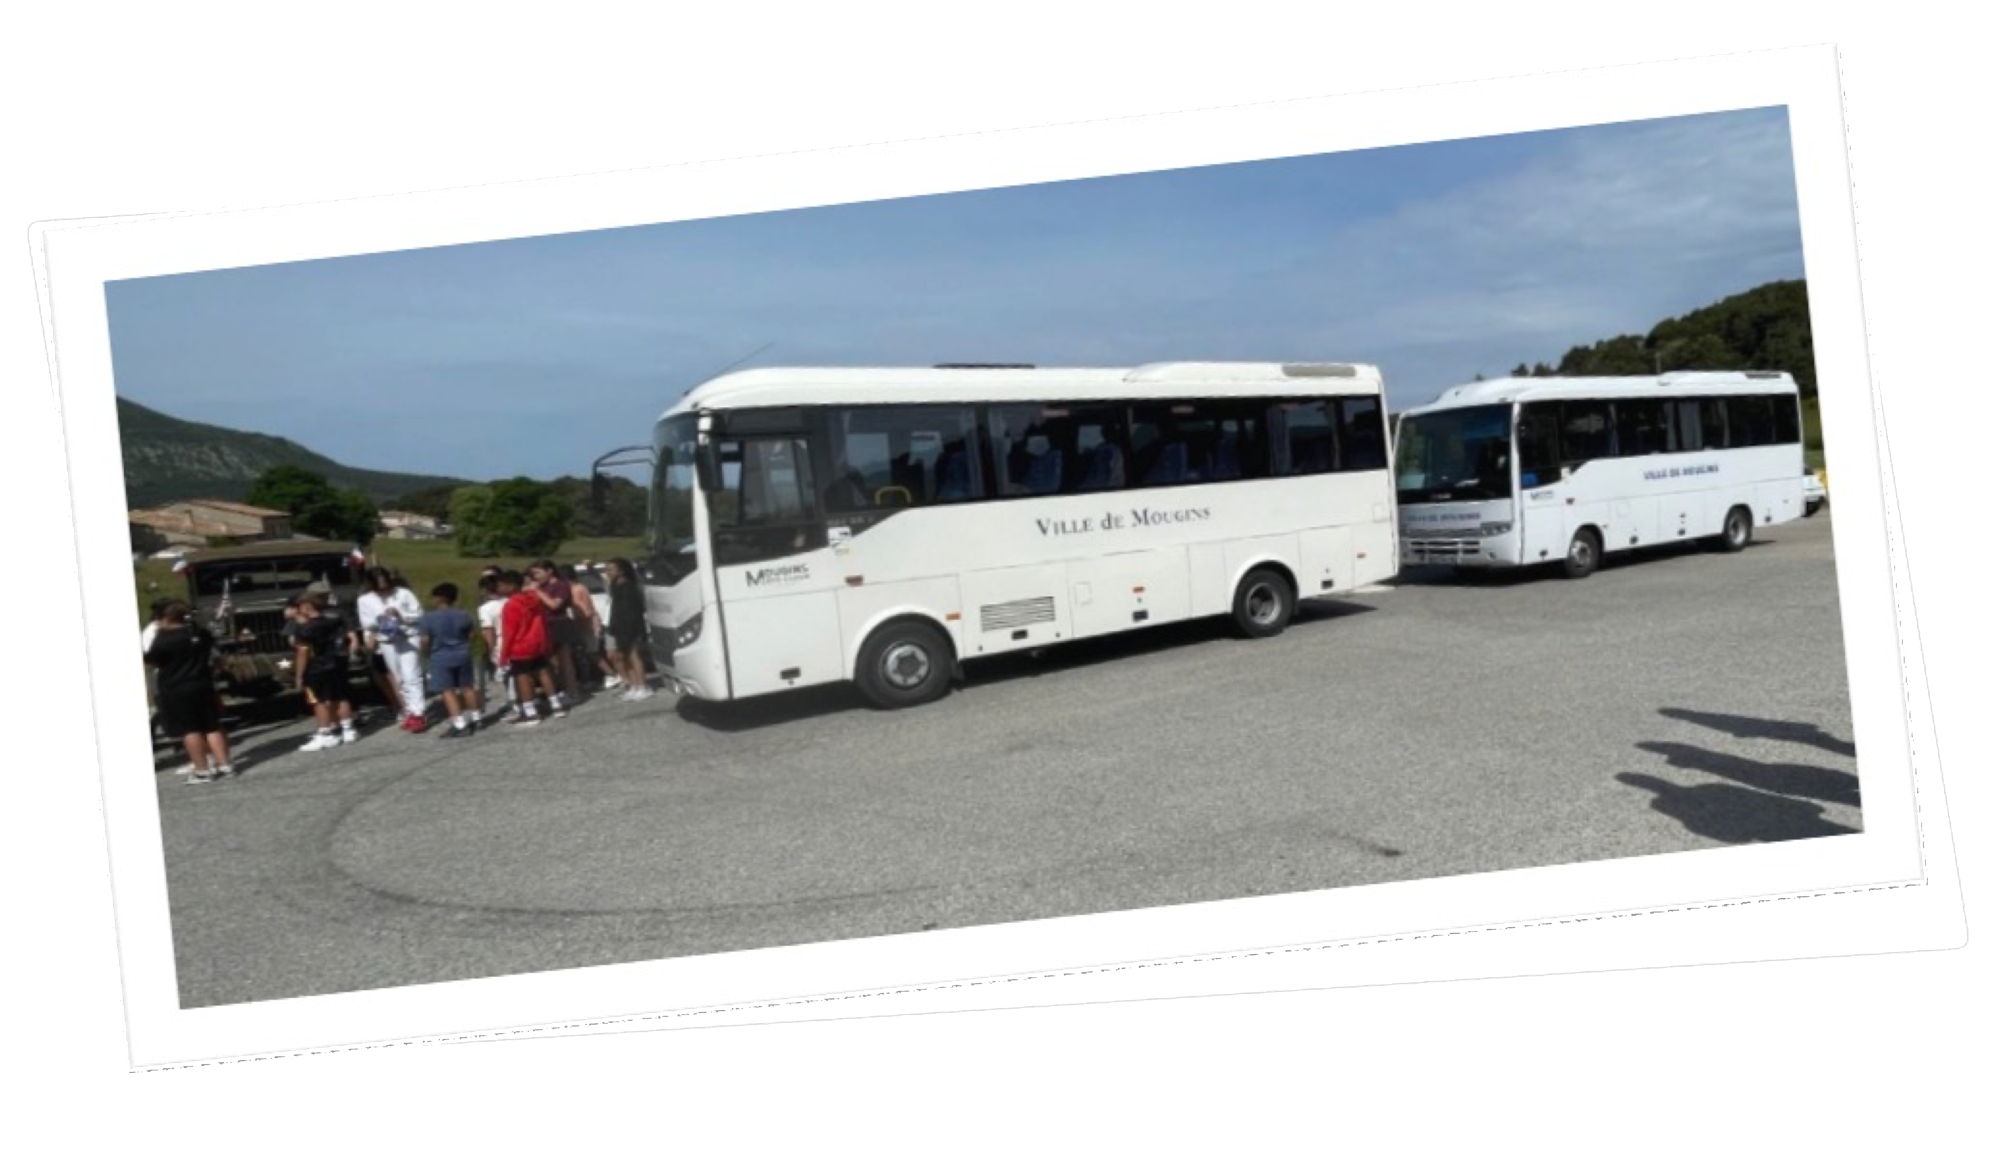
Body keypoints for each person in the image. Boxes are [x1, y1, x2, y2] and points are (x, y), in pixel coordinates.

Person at [144, 602, 235, 782]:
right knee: (212, 726)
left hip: (176, 687)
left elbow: (152, 660)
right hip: (203, 683)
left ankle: (202, 770)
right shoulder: (200, 634)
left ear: (167, 619)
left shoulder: (164, 639)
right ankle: (225, 764)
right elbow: (213, 655)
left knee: (190, 730)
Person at [358, 566, 426, 732]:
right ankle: (408, 710)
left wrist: (400, 614)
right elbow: (366, 623)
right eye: (378, 582)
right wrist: (380, 618)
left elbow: (419, 613)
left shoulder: (403, 593)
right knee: (399, 678)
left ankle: (418, 713)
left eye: (384, 580)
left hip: (408, 638)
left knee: (411, 675)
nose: (382, 585)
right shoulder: (364, 600)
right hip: (387, 641)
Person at [292, 593, 360, 751]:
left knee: (318, 701)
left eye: (299, 607)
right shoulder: (328, 622)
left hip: (316, 668)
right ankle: (348, 729)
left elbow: (303, 652)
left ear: (307, 607)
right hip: (334, 663)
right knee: (340, 696)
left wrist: (299, 675)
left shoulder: (305, 629)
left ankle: (325, 734)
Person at [497, 569, 565, 725]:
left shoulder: (511, 605)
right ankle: (556, 705)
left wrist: (503, 656)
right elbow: (542, 622)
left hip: (519, 646)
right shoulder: (534, 600)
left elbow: (509, 632)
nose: (499, 588)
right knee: (543, 672)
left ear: (511, 585)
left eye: (501, 585)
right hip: (537, 642)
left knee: (522, 677)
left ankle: (530, 712)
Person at [419, 582, 482, 738]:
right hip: (462, 653)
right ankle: (477, 718)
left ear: (440, 598)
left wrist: (425, 653)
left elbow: (425, 640)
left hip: (441, 656)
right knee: (467, 686)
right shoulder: (463, 614)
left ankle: (459, 724)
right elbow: (471, 635)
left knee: (447, 690)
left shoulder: (428, 618)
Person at [527, 560, 581, 703]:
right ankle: (560, 689)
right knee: (552, 662)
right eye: (533, 574)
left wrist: (538, 591)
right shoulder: (542, 586)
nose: (536, 577)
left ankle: (572, 691)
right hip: (544, 624)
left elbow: (554, 605)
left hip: (559, 623)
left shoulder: (561, 585)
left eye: (538, 573)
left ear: (550, 571)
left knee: (565, 660)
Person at [603, 558, 653, 700]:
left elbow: (634, 609)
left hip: (630, 626)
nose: (608, 572)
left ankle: (643, 686)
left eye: (611, 569)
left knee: (634, 655)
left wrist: (631, 627)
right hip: (618, 625)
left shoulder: (629, 587)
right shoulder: (615, 586)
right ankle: (634, 686)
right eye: (607, 570)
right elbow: (615, 609)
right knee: (624, 657)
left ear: (621, 571)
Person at [475, 571, 507, 715]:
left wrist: (490, 649)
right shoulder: (508, 601)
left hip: (499, 641)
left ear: (485, 590)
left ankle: (516, 702)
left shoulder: (485, 608)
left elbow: (488, 631)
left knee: (504, 674)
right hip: (514, 638)